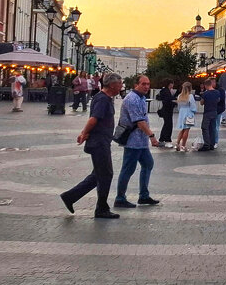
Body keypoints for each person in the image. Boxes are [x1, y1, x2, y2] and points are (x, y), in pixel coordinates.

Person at [60, 72, 123, 219]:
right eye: (120, 83)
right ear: (112, 85)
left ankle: (70, 197)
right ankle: (101, 208)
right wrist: (84, 133)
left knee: (98, 175)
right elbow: (94, 119)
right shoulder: (103, 100)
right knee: (106, 174)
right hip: (99, 142)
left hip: (101, 141)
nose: (121, 86)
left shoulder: (104, 98)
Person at [113, 73, 159, 209]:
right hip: (133, 141)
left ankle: (143, 195)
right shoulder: (132, 99)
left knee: (148, 163)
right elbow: (139, 122)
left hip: (141, 141)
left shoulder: (141, 98)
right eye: (143, 84)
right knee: (128, 168)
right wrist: (152, 136)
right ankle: (120, 198)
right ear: (136, 85)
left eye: (148, 84)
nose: (146, 86)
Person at [198, 79, 220, 151]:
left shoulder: (205, 94)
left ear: (206, 85)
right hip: (215, 112)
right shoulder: (217, 92)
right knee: (213, 128)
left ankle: (206, 144)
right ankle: (212, 144)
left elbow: (201, 103)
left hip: (207, 112)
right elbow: (218, 100)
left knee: (205, 128)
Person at [175, 81, 197, 152]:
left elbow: (178, 107)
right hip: (188, 113)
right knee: (187, 129)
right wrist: (194, 111)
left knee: (182, 129)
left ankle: (177, 143)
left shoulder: (179, 96)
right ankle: (183, 146)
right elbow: (193, 107)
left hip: (181, 113)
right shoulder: (190, 96)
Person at [155, 80, 176, 148]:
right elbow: (168, 101)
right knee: (169, 125)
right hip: (167, 110)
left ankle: (162, 139)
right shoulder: (166, 91)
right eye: (172, 84)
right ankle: (167, 140)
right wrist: (174, 103)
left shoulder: (164, 91)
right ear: (170, 84)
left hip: (166, 110)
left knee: (166, 124)